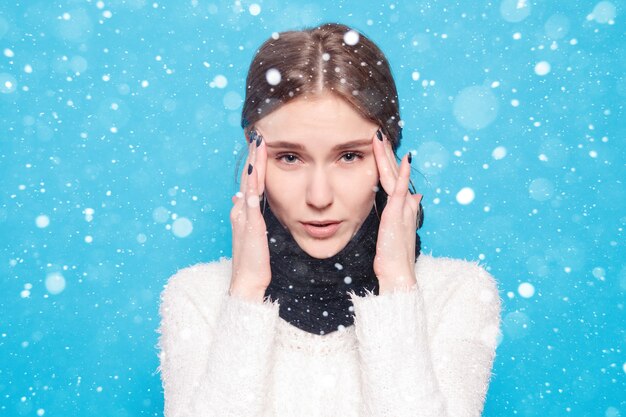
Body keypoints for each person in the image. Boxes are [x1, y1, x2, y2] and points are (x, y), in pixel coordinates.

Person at [156, 22, 502, 417]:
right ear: (254, 158)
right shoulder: (196, 297)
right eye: (289, 157)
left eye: (349, 156)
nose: (319, 197)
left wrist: (397, 288)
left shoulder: (458, 293)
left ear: (387, 158)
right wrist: (248, 294)